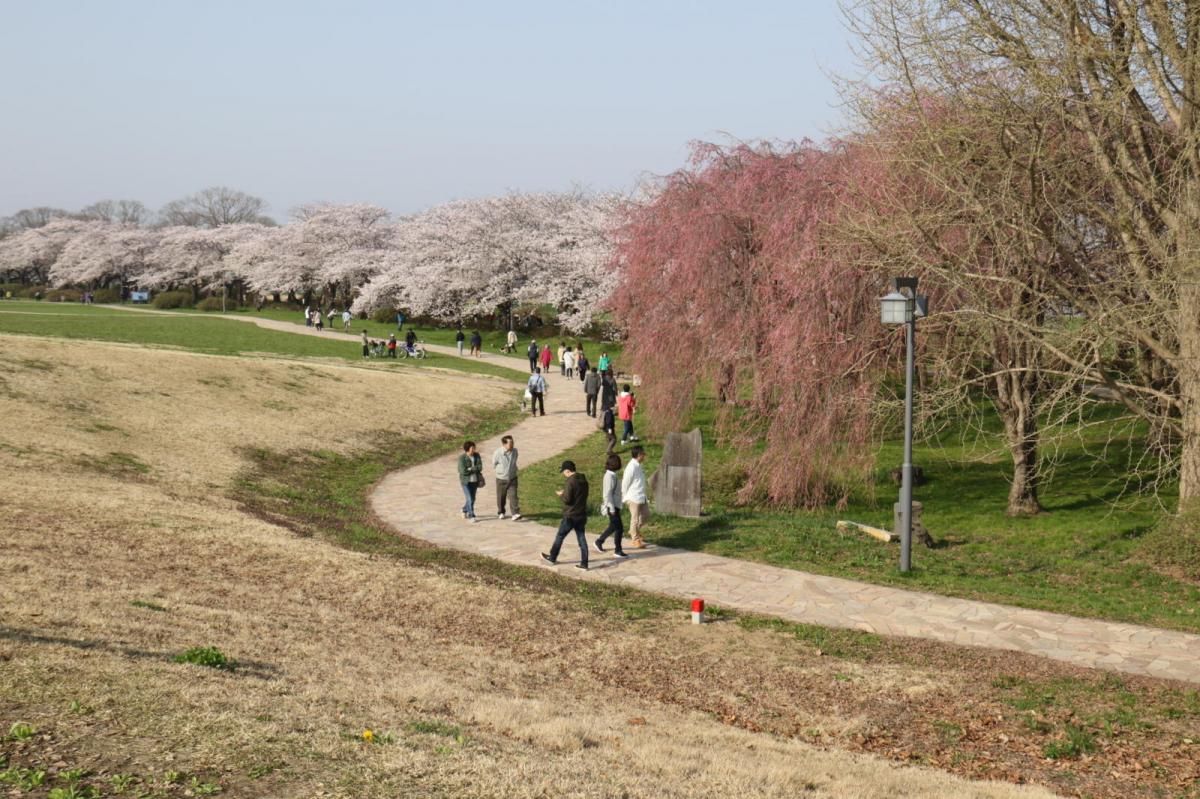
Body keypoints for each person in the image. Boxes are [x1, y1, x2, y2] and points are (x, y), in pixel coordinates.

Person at [542, 460, 589, 570]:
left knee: (560, 536)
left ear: (567, 471)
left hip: (570, 516)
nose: (563, 474)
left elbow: (567, 500)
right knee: (581, 538)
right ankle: (584, 563)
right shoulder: (583, 480)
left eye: (563, 471)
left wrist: (561, 494)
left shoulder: (570, 481)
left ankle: (552, 557)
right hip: (581, 514)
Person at [594, 453, 628, 557]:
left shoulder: (612, 475)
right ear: (615, 464)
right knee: (619, 528)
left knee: (614, 527)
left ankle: (600, 541)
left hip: (614, 506)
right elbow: (607, 494)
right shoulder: (609, 476)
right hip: (612, 507)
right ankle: (617, 550)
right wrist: (612, 508)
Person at [622, 446, 649, 548]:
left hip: (641, 496)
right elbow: (625, 483)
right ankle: (635, 540)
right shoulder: (631, 467)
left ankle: (633, 531)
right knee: (635, 519)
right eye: (643, 454)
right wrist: (624, 497)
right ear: (638, 455)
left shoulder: (638, 465)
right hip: (633, 497)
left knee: (646, 515)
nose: (644, 455)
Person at [492, 435, 521, 520]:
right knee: (501, 497)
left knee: (513, 496)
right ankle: (501, 512)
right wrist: (500, 471)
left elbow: (515, 461)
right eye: (510, 443)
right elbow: (494, 463)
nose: (512, 445)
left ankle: (515, 513)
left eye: (513, 442)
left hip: (512, 477)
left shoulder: (515, 451)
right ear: (504, 444)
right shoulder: (497, 453)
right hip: (501, 478)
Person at [457, 441, 483, 523]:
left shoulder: (477, 455)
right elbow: (462, 471)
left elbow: (480, 467)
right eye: (472, 448)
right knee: (469, 498)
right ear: (467, 449)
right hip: (466, 482)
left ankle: (464, 510)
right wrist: (473, 469)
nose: (474, 449)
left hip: (475, 481)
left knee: (473, 499)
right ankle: (471, 515)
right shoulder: (462, 458)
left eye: (474, 448)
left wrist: (470, 468)